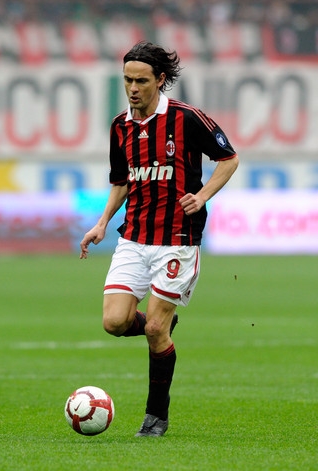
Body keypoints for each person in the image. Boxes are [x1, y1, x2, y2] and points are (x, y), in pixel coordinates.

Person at [79, 41, 238, 437]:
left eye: (141, 81)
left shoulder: (187, 118)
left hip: (177, 239)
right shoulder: (120, 126)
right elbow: (121, 181)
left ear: (160, 80)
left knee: (153, 330)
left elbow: (229, 158)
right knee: (114, 322)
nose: (133, 88)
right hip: (134, 236)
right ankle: (163, 323)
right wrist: (102, 222)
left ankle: (155, 417)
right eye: (127, 80)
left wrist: (202, 196)